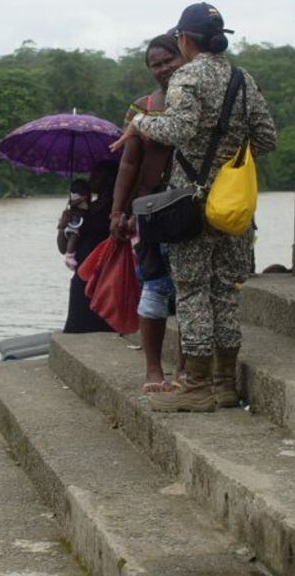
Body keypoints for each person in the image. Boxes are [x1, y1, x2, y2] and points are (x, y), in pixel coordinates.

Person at [111, 3, 277, 412]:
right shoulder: (242, 79)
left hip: (193, 207)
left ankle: (197, 387)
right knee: (225, 292)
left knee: (192, 292)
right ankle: (224, 385)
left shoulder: (187, 77)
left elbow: (179, 129)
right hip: (234, 206)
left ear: (185, 40)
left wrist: (141, 123)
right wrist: (227, 155)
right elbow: (267, 139)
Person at [108, 34, 186, 393]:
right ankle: (154, 370)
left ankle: (187, 368)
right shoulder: (142, 108)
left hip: (193, 207)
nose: (163, 69)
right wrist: (117, 212)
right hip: (152, 211)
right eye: (155, 64)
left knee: (190, 291)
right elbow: (129, 165)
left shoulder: (199, 102)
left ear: (183, 56)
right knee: (154, 287)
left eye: (168, 60)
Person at [58, 165, 117, 334]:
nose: (91, 180)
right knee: (78, 323)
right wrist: (63, 227)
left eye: (97, 177)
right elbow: (63, 248)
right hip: (82, 274)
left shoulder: (114, 211)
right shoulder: (83, 209)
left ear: (109, 181)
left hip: (104, 275)